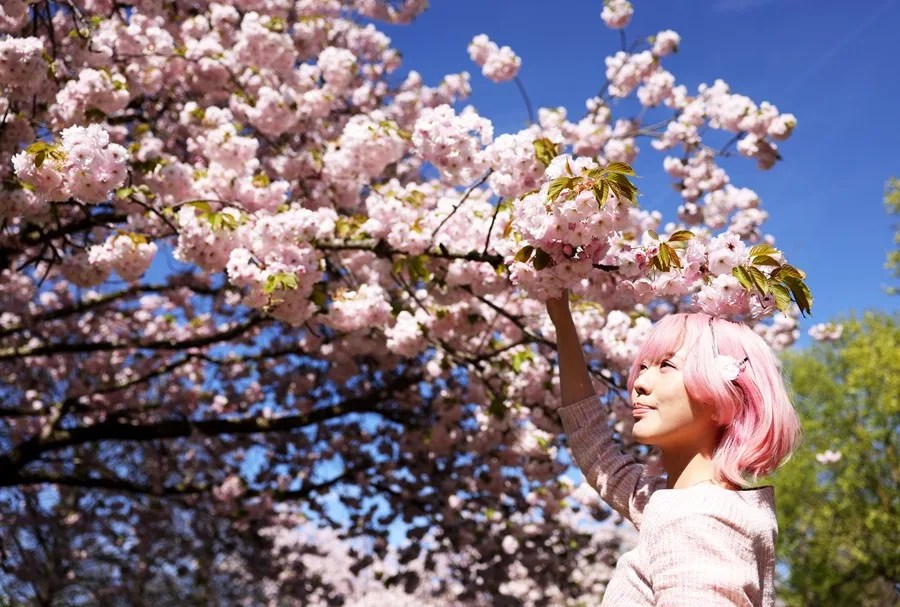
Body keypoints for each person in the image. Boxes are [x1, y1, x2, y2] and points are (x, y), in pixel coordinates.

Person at [547, 290, 801, 607]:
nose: (639, 382)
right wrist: (562, 323)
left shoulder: (700, 519)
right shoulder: (676, 503)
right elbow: (598, 453)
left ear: (723, 401)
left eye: (667, 365)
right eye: (643, 367)